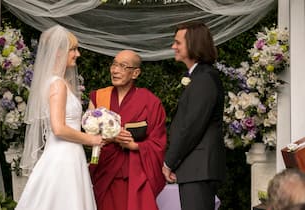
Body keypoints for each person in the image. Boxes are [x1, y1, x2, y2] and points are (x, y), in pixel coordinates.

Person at [15, 25, 103, 210]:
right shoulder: (57, 85)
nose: (77, 54)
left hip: (70, 155)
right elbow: (59, 128)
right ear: (58, 52)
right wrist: (91, 139)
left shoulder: (60, 82)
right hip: (63, 158)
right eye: (73, 49)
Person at [88, 49, 167, 210]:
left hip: (135, 174)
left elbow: (158, 142)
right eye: (114, 64)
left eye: (123, 66)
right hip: (105, 171)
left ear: (135, 73)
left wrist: (135, 146)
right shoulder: (99, 97)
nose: (115, 70)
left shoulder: (150, 102)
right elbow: (88, 138)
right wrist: (112, 138)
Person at [162, 21, 226, 210]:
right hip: (196, 168)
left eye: (178, 43)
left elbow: (191, 127)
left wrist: (169, 162)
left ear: (193, 44)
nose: (173, 47)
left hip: (199, 168)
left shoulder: (204, 78)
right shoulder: (199, 76)